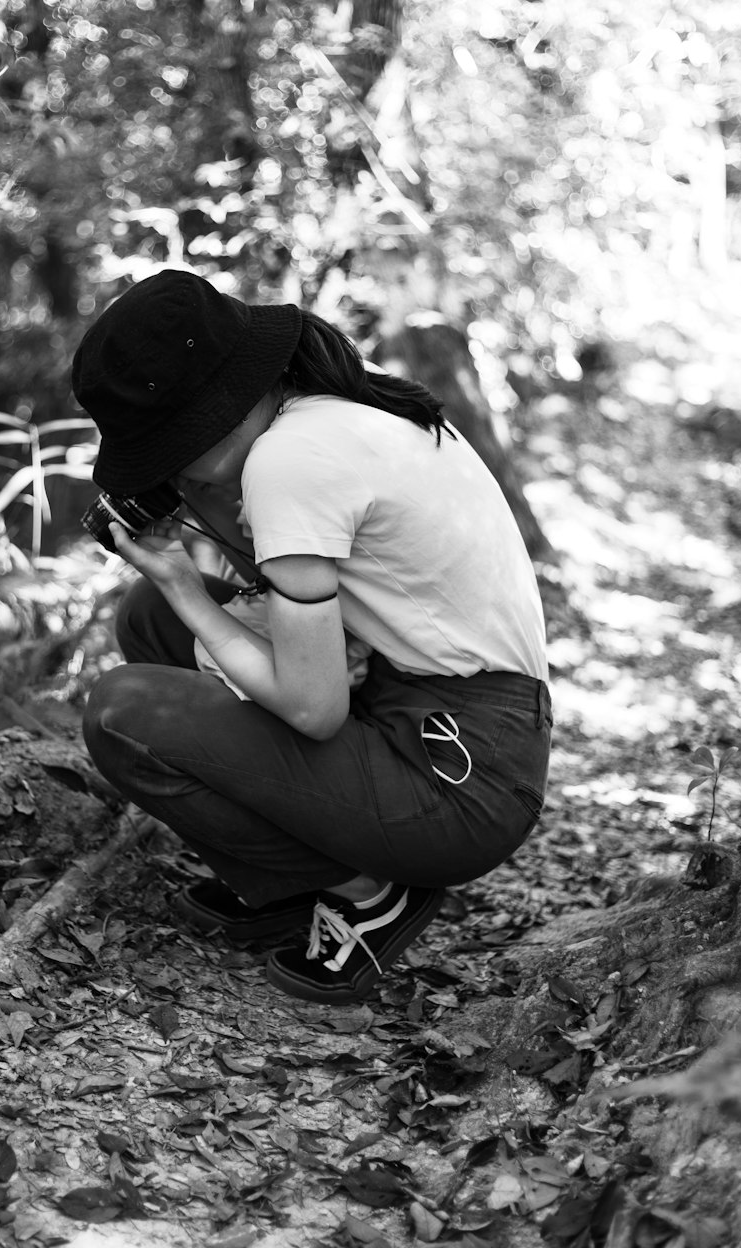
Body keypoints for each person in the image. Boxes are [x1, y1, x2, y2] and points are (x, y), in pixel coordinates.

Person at [72, 269, 551, 1005]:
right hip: (444, 721)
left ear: (211, 416)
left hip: (461, 777)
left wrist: (179, 579)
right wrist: (196, 520)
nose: (162, 468)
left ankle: (366, 891)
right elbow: (298, 603)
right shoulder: (330, 413)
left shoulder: (287, 460)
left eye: (163, 447)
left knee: (122, 711)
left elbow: (313, 706)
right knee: (150, 619)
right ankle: (295, 883)